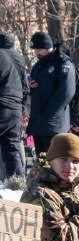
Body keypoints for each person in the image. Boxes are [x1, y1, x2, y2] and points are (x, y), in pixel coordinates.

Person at [26, 32, 76, 155]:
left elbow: (67, 92)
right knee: (41, 163)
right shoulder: (38, 65)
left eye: (39, 49)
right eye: (35, 49)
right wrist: (29, 86)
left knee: (54, 161)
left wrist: (49, 113)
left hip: (54, 124)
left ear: (47, 47)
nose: (37, 53)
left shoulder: (63, 63)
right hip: (39, 123)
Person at [0, 32, 28, 179]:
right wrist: (21, 109)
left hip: (2, 106)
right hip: (15, 110)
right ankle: (17, 184)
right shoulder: (19, 58)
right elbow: (25, 88)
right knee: (12, 148)